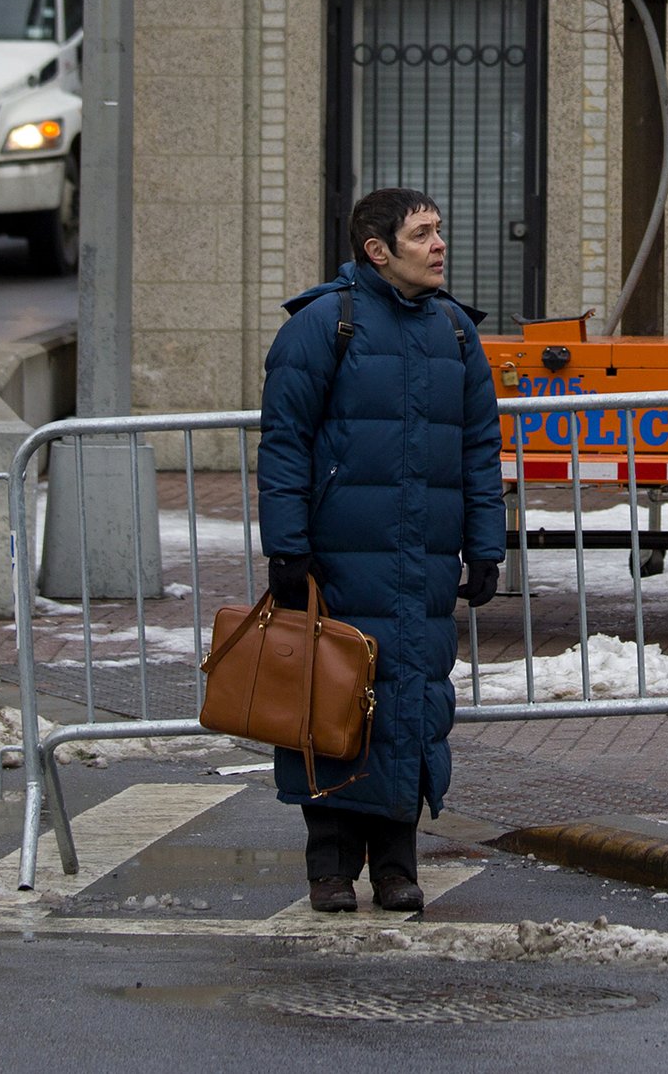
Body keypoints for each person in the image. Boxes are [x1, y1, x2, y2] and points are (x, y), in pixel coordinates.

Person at [257, 187, 506, 914]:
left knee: (411, 708)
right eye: (423, 233)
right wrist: (288, 551)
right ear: (377, 250)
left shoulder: (455, 331)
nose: (439, 245)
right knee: (330, 707)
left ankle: (397, 866)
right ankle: (329, 870)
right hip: (338, 559)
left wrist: (485, 544)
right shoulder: (319, 328)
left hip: (422, 563)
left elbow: (479, 445)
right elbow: (284, 446)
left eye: (438, 230)